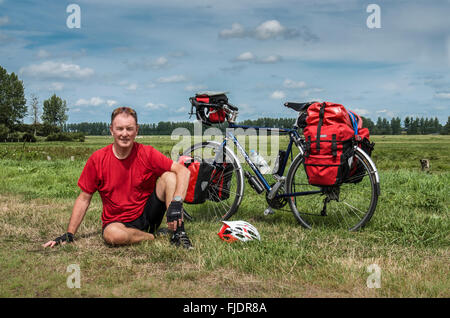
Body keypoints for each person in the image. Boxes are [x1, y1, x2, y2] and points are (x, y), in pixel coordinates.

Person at [43, 106, 193, 249]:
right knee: (112, 236)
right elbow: (84, 198)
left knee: (169, 176)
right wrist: (69, 234)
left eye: (129, 128)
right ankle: (151, 237)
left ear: (136, 130)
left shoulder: (147, 152)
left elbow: (183, 171)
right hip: (118, 223)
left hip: (148, 215)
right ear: (111, 130)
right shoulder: (97, 159)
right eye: (119, 128)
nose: (124, 133)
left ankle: (178, 233)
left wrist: (177, 202)